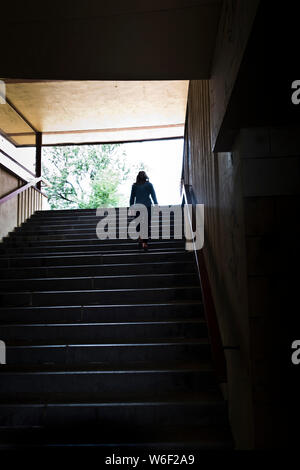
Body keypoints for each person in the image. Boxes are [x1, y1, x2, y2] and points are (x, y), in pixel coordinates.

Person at [129, 171, 158, 251]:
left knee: (139, 225)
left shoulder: (135, 186)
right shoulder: (149, 185)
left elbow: (132, 198)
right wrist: (156, 205)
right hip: (147, 207)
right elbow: (153, 196)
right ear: (145, 176)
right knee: (145, 225)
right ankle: (145, 243)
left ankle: (140, 239)